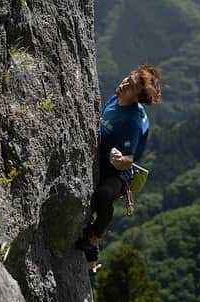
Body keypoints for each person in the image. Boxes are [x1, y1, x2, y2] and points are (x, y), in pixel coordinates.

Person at [76, 64, 162, 271]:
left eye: (130, 85)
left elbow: (129, 158)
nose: (123, 84)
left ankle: (95, 236)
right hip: (102, 160)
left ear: (137, 96)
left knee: (104, 195)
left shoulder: (132, 121)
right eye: (126, 79)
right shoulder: (117, 99)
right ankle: (91, 258)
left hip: (118, 173)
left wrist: (118, 158)